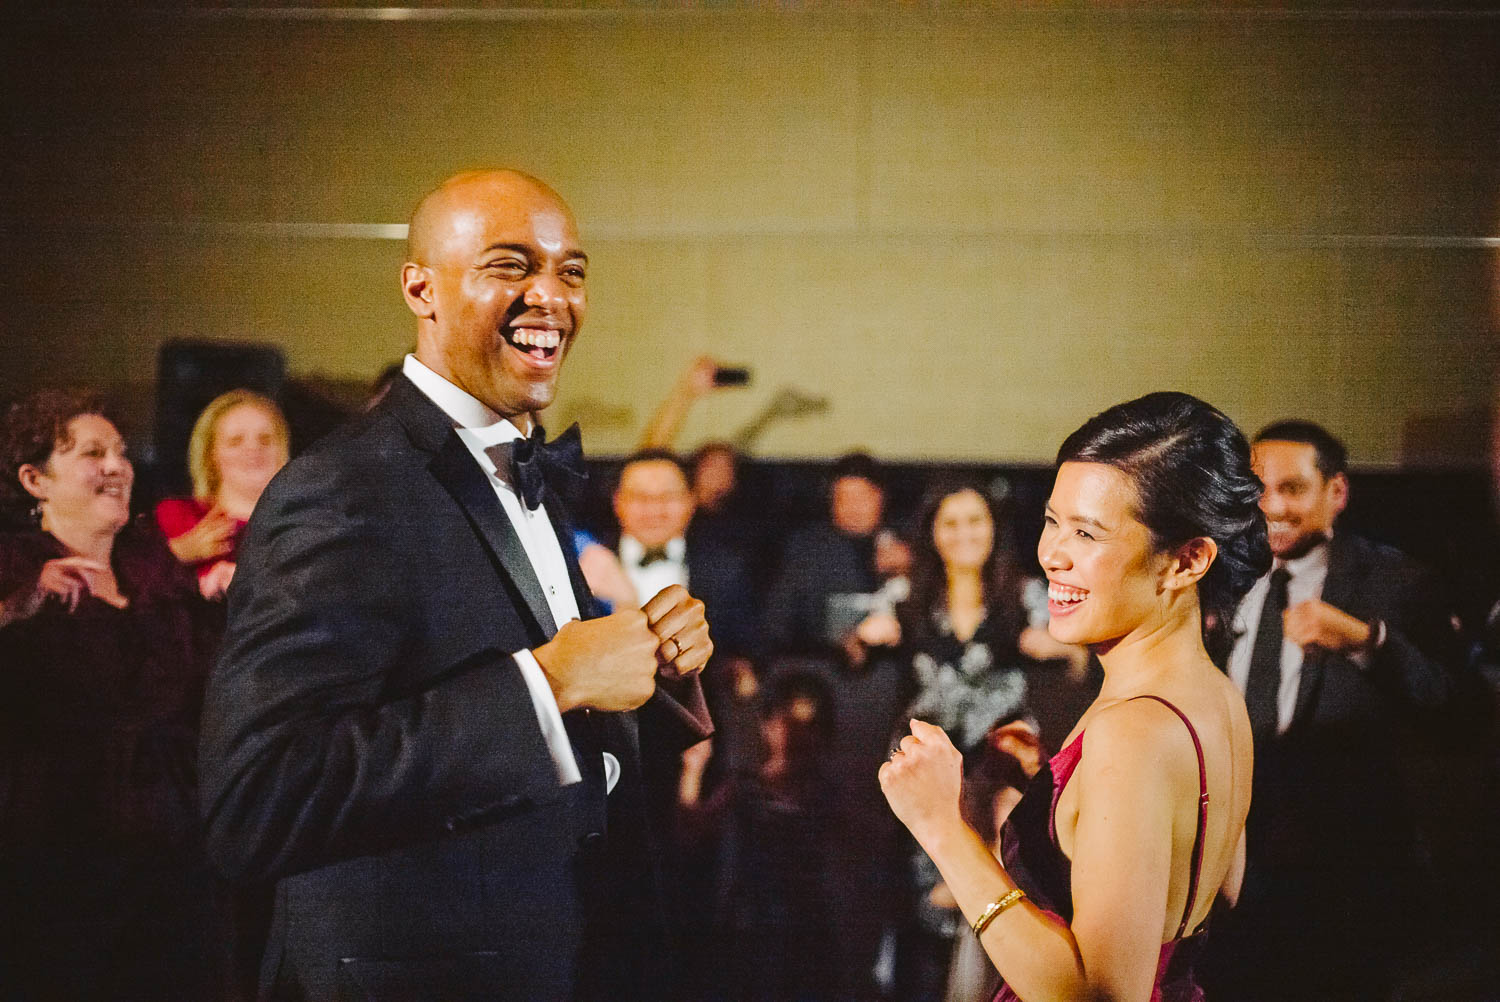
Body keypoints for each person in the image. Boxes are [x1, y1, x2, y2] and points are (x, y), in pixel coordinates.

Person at [198, 169, 714, 1001]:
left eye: (570, 271)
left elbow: (549, 751)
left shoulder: (525, 466)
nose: (551, 296)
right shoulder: (343, 487)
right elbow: (260, 798)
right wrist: (548, 682)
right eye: (510, 266)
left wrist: (656, 672)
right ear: (420, 287)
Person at [880, 391, 1270, 1002]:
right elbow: (1217, 888)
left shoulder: (1131, 733)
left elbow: (1097, 996)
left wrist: (942, 829)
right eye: (1052, 521)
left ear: (1187, 560)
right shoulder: (1216, 696)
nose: (1052, 554)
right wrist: (1061, 796)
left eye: (1087, 533)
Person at [1201, 420, 1473, 1002]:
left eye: (1292, 488)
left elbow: (1455, 712)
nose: (1271, 505)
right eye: (1258, 488)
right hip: (1230, 867)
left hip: (1346, 876)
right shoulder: (1219, 578)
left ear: (1337, 493)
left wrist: (1366, 641)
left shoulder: (1398, 581)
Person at [0, 389, 227, 998]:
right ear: (34, 479)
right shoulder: (15, 571)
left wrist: (233, 609)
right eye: (92, 453)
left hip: (174, 868)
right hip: (59, 870)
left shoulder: (158, 572)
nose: (116, 467)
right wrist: (20, 605)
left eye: (122, 453)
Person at [154, 389, 289, 598]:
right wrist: (179, 553)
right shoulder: (177, 516)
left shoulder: (305, 526)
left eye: (265, 439)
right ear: (210, 455)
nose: (253, 449)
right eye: (236, 440)